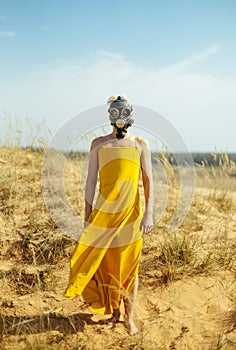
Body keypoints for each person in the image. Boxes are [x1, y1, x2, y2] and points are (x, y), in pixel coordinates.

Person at [64, 95, 154, 335]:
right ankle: (114, 312)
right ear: (111, 117)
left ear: (130, 115)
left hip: (131, 215)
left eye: (124, 112)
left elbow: (148, 182)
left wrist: (149, 214)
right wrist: (87, 216)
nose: (120, 118)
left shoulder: (140, 144)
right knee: (107, 265)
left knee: (130, 267)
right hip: (104, 215)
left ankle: (129, 318)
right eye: (116, 113)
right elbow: (91, 181)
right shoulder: (98, 144)